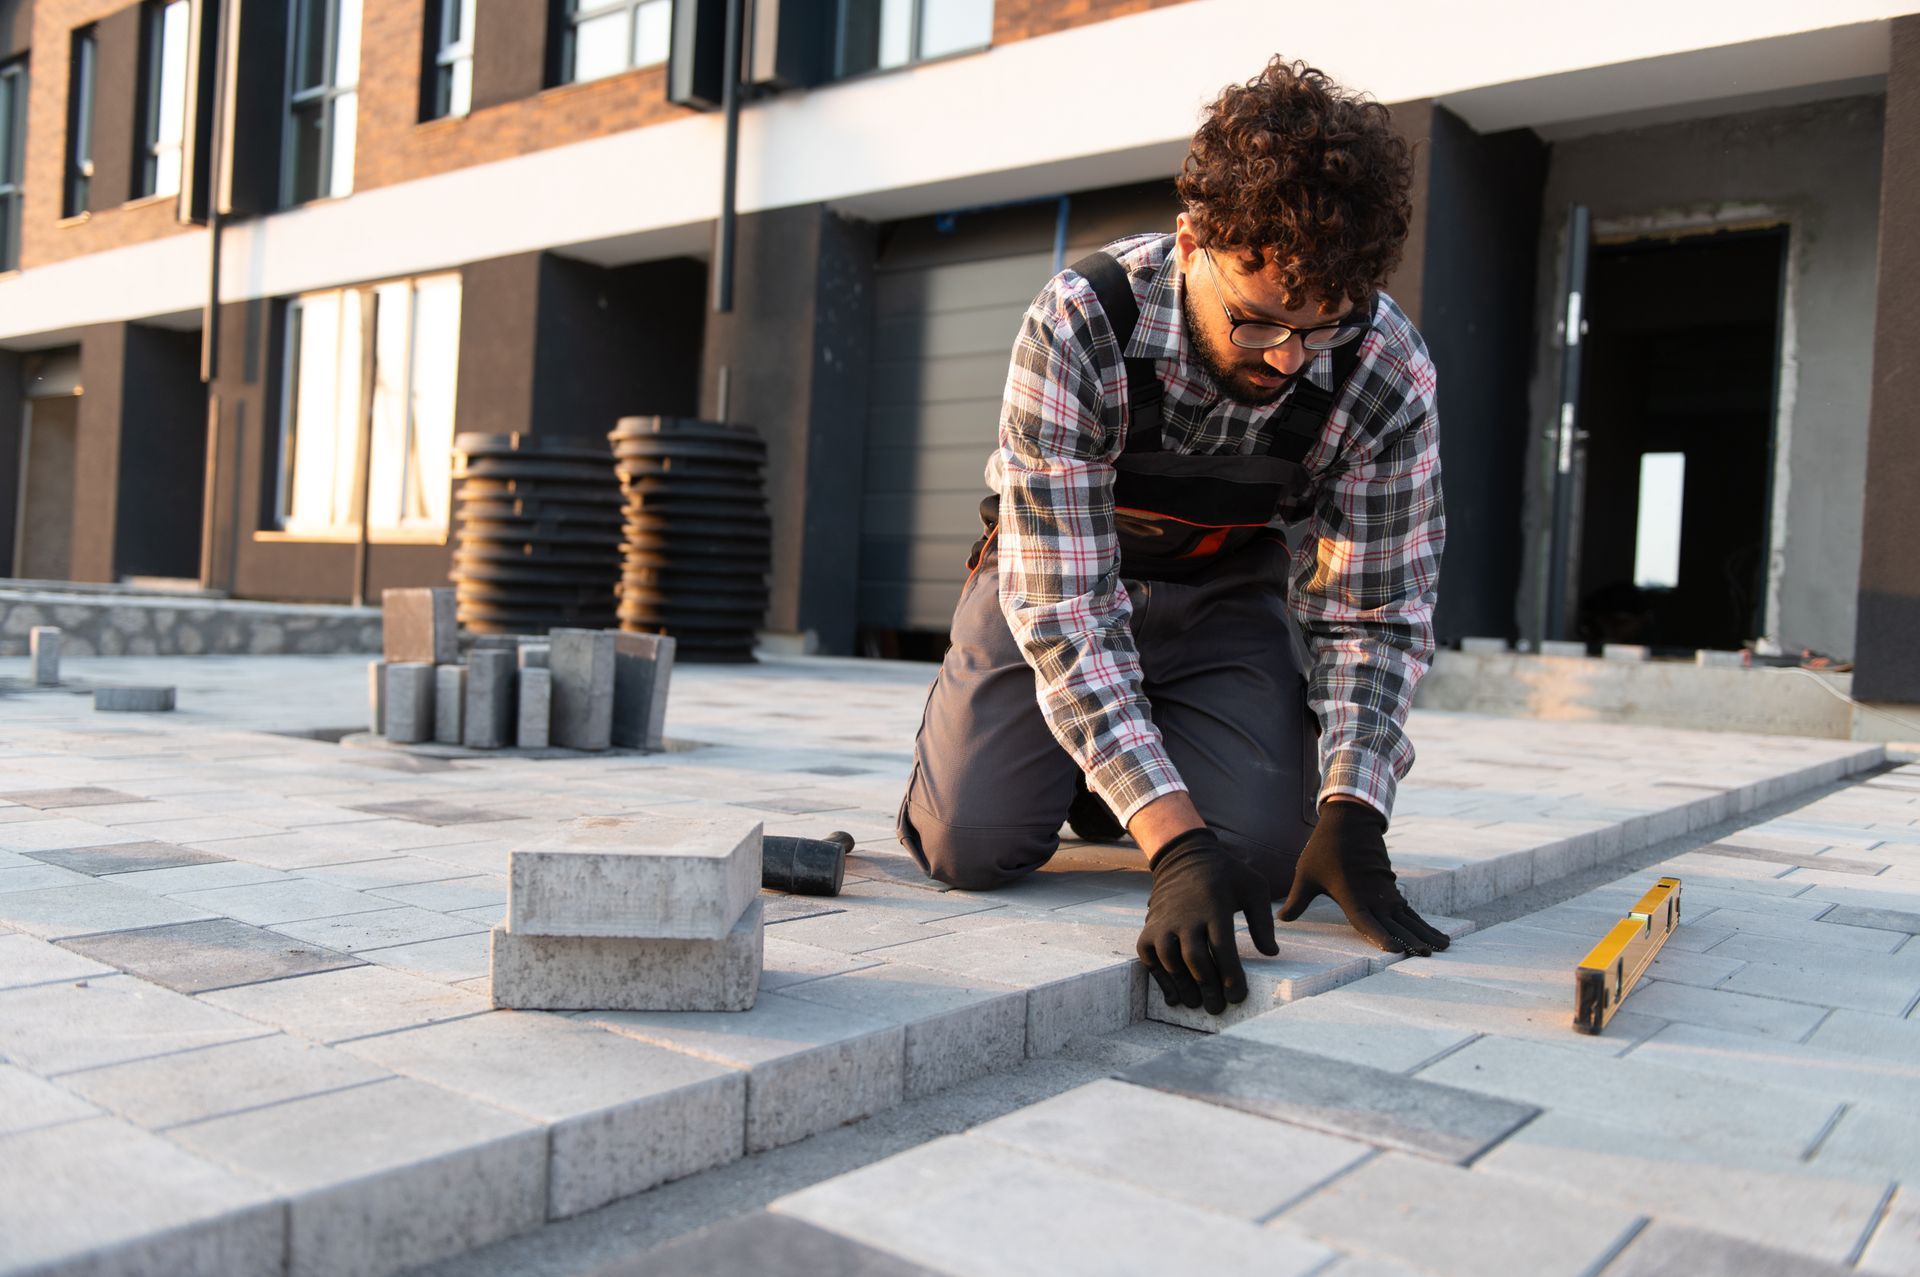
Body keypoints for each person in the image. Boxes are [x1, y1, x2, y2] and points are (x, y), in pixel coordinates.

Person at [895, 56, 1451, 1017]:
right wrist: (1177, 845)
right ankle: (1092, 773)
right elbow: (1068, 610)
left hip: (1221, 595)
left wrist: (1355, 807)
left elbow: (1377, 613)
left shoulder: (1386, 368)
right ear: (1193, 242)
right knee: (969, 844)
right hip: (1060, 584)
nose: (1289, 361)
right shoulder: (1081, 323)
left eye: (1321, 330)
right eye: (1258, 322)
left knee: (1270, 855)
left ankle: (1123, 762)